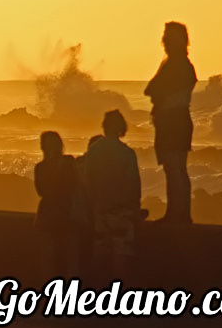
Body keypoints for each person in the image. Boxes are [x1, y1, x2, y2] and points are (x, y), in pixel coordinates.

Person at [144, 22, 197, 224]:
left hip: (175, 121)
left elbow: (173, 94)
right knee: (172, 168)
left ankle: (180, 214)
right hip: (169, 122)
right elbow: (151, 89)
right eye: (166, 38)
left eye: (170, 39)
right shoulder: (170, 64)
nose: (166, 43)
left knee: (176, 169)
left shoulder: (182, 66)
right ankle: (176, 213)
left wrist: (162, 96)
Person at [84, 110, 141, 277]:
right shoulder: (126, 153)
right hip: (122, 210)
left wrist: (91, 206)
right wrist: (135, 209)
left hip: (100, 208)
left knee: (100, 254)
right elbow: (133, 184)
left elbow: (89, 181)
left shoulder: (94, 151)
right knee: (122, 255)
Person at [34, 131, 81, 276]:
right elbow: (75, 185)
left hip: (47, 216)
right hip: (68, 215)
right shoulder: (68, 163)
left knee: (48, 261)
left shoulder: (40, 168)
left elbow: (41, 191)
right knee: (70, 261)